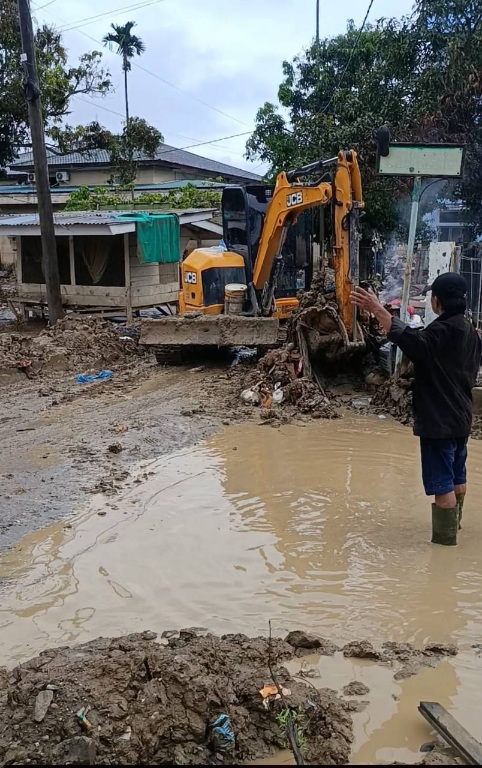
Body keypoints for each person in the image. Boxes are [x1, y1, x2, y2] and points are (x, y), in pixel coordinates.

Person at [352, 273, 481, 546]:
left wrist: (377, 310)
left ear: (436, 302)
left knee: (442, 486)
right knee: (458, 476)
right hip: (461, 419)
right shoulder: (470, 331)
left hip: (439, 422)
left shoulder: (440, 332)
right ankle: (454, 526)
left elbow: (409, 340)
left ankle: (445, 547)